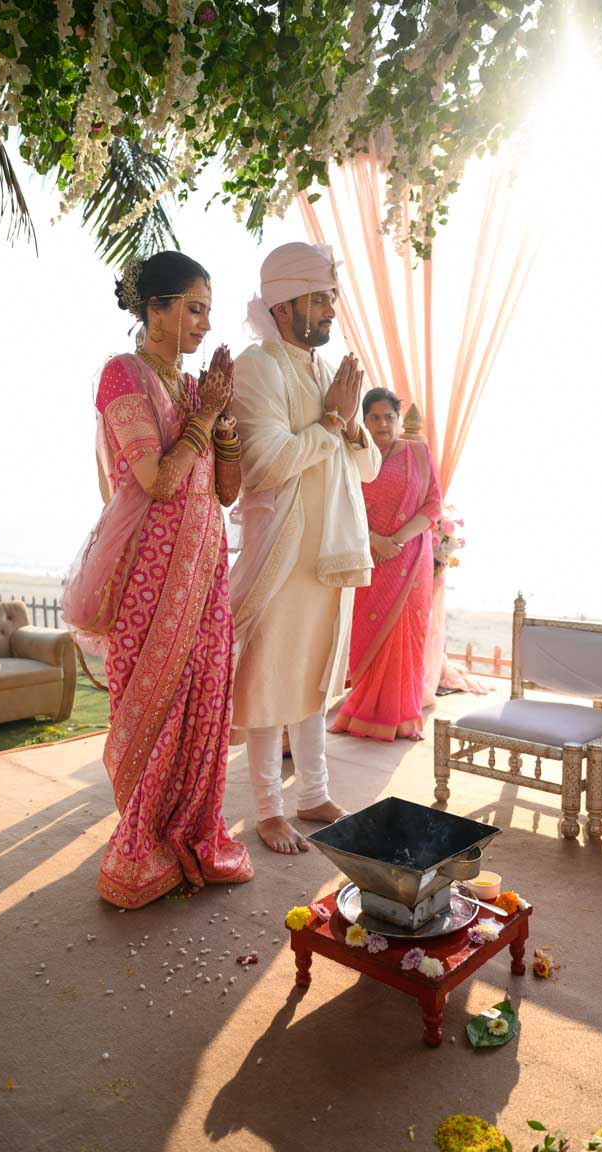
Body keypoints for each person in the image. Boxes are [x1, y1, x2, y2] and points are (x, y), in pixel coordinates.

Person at [62, 251, 252, 907]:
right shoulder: (123, 374)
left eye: (207, 311)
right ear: (156, 309)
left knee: (204, 697)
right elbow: (158, 480)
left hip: (205, 570)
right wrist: (204, 417)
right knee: (157, 703)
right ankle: (143, 844)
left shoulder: (196, 388)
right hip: (151, 571)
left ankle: (191, 833)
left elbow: (225, 491)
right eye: (193, 309)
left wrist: (222, 418)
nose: (203, 323)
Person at [229, 242, 381, 855]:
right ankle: (269, 809)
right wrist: (333, 423)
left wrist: (351, 425)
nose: (330, 311)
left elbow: (366, 468)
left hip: (331, 555)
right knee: (269, 681)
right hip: (284, 553)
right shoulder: (258, 367)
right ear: (284, 305)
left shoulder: (324, 370)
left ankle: (314, 794)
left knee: (314, 679)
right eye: (320, 300)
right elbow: (264, 465)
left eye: (332, 299)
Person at [331, 388, 442, 741]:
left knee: (406, 634)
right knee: (367, 630)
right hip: (367, 556)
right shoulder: (352, 455)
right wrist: (374, 540)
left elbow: (433, 505)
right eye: (375, 417)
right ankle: (362, 711)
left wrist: (396, 540)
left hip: (409, 559)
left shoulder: (419, 453)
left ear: (398, 420)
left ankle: (403, 717)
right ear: (363, 421)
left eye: (389, 417)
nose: (383, 424)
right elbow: (342, 505)